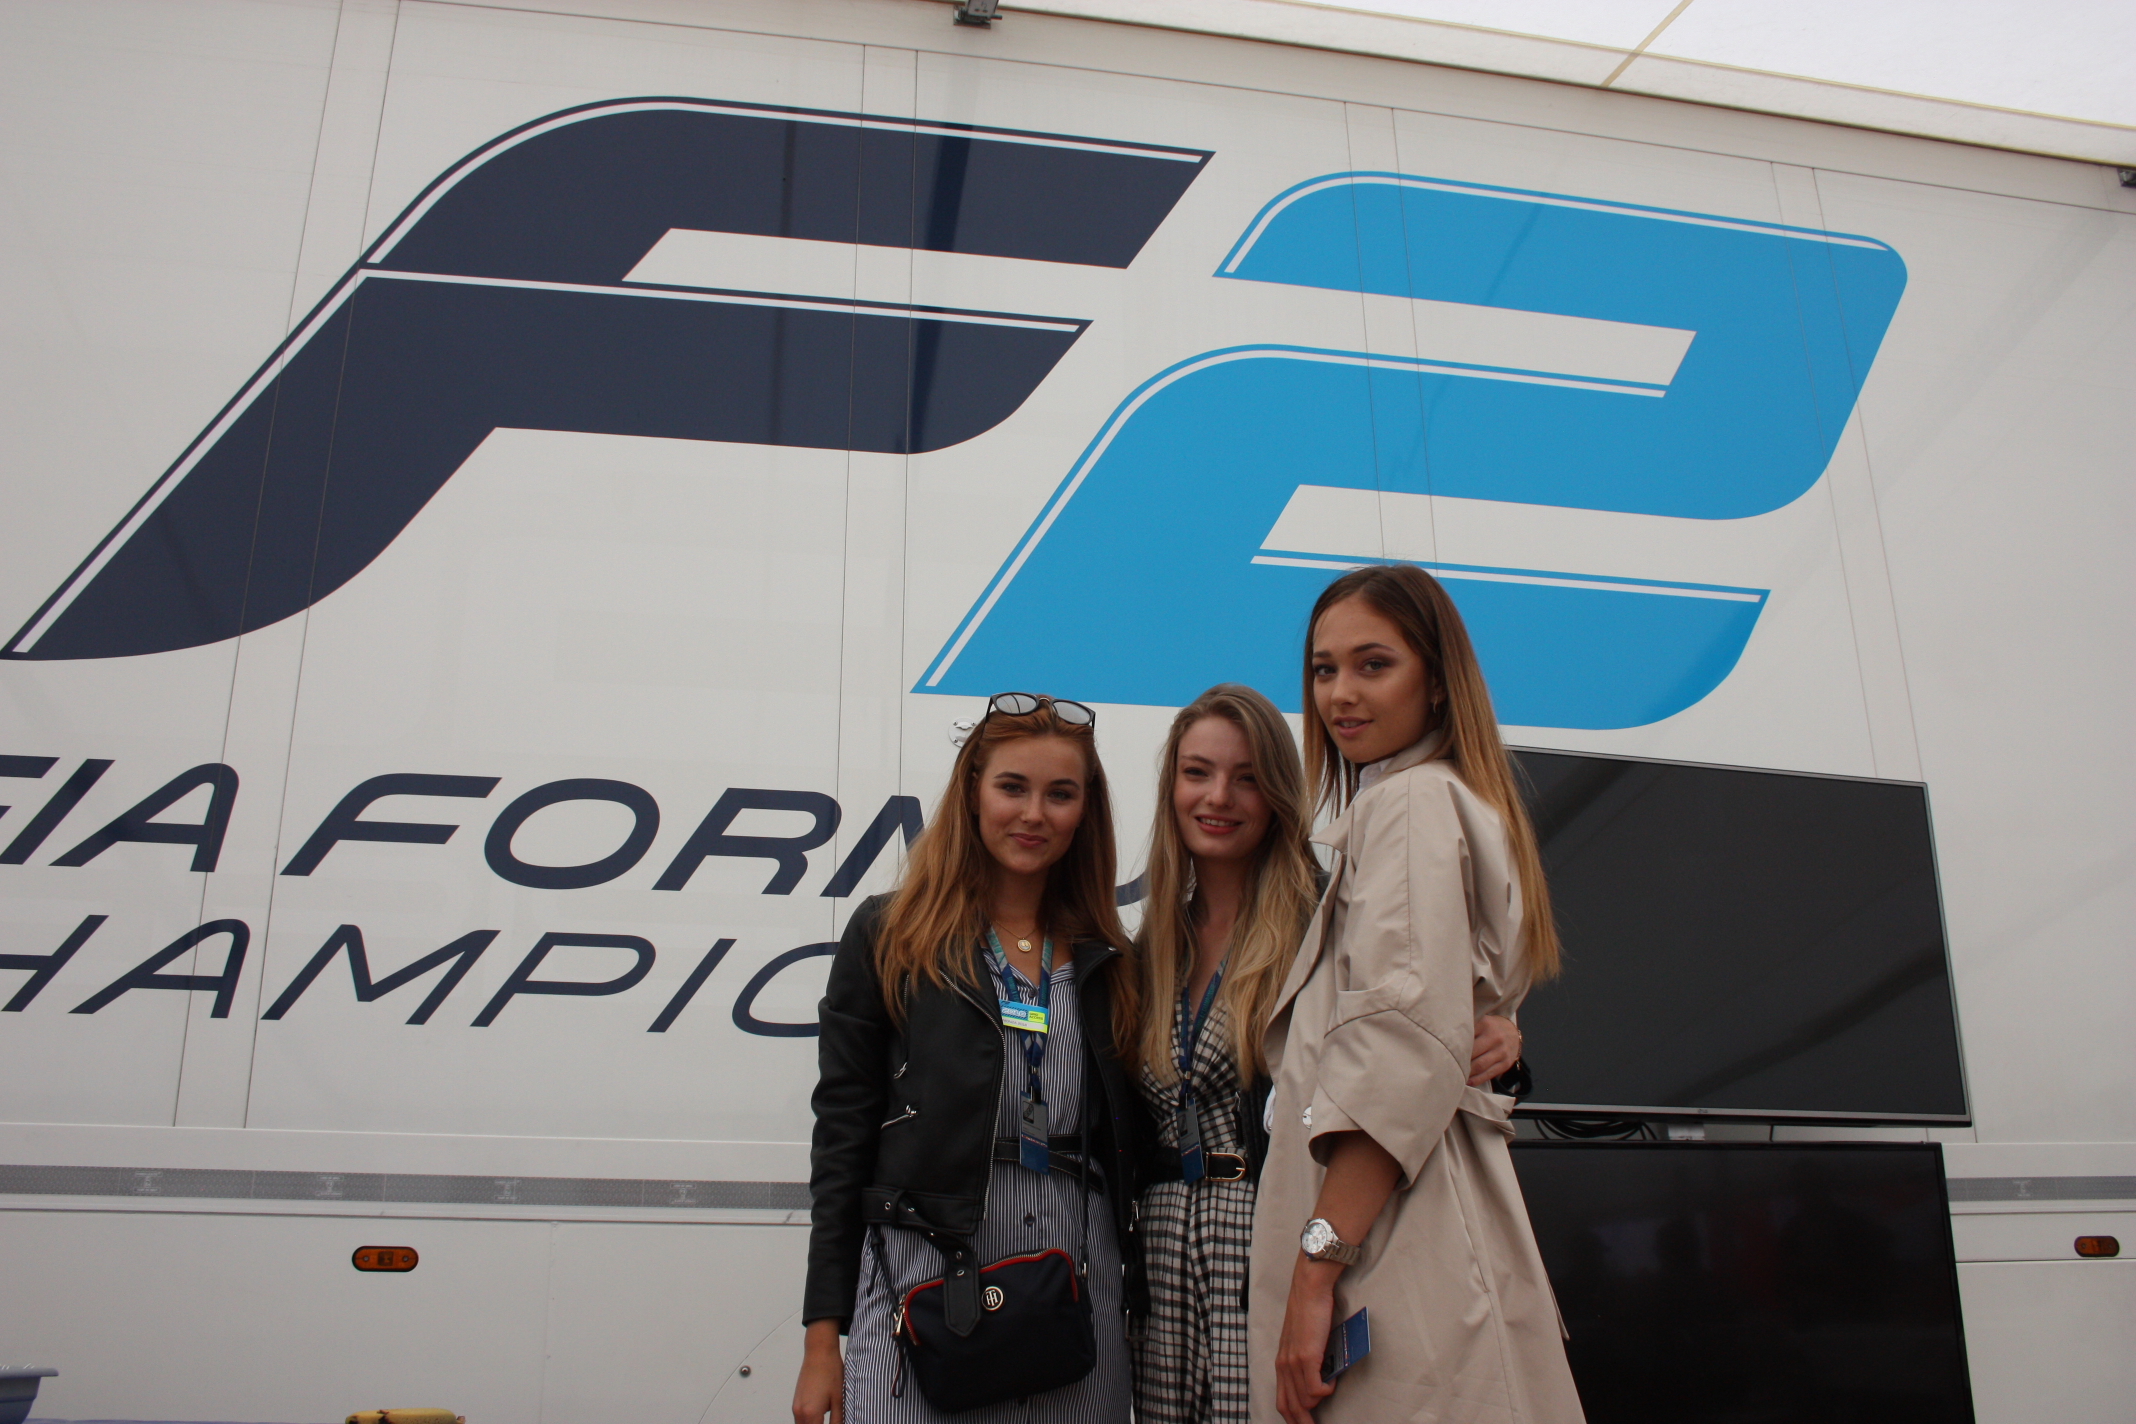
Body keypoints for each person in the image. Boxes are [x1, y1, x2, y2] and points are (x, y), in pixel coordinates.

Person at [1128, 684, 1528, 1424]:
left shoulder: (1324, 922)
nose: (1218, 797)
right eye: (1197, 773)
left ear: (1279, 793)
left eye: (1247, 777)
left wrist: (1502, 1037)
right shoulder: (1150, 947)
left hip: (1277, 1236)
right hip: (1163, 1262)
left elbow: (1413, 1042)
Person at [1249, 566, 1584, 1424]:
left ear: (1436, 681)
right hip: (1424, 1222)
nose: (1340, 694)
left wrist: (1315, 1270)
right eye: (1324, 669)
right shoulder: (1434, 800)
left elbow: (1396, 1053)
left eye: (1374, 664)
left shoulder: (1408, 805)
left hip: (1401, 1242)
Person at [794, 692, 1142, 1424]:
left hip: (1075, 1303)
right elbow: (842, 1140)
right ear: (973, 792)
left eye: (1060, 794)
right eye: (1013, 787)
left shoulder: (1110, 960)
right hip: (926, 1295)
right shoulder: (891, 935)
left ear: (1085, 811)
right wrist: (823, 1340)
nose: (1034, 814)